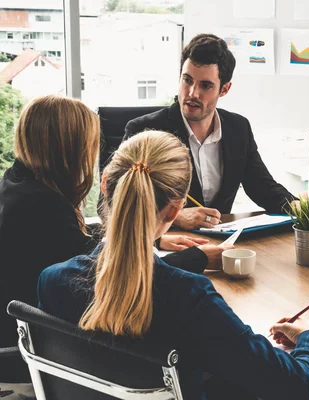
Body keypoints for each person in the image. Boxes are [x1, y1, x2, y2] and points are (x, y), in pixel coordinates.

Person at [38, 131, 309, 399]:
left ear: (104, 185)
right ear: (176, 209)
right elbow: (295, 386)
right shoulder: (188, 297)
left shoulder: (52, 281)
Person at [0, 96, 228, 382]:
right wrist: (200, 257)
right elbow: (115, 269)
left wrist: (155, 239)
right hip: (30, 357)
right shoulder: (45, 209)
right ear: (68, 148)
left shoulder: (18, 184)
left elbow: (79, 243)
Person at [124, 33, 297, 231]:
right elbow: (118, 201)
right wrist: (176, 217)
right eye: (187, 80)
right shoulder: (144, 131)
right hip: (163, 246)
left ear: (224, 89)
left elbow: (263, 187)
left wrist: (300, 208)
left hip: (220, 244)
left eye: (205, 85)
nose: (192, 93)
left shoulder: (238, 128)